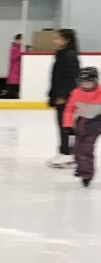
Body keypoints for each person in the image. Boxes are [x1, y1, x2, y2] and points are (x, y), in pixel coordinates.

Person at [47, 29, 81, 168]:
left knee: (67, 126)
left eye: (58, 38)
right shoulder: (61, 55)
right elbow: (56, 77)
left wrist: (64, 96)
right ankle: (64, 151)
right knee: (62, 125)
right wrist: (52, 94)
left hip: (66, 98)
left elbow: (71, 79)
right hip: (60, 96)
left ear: (66, 40)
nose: (55, 41)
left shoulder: (70, 56)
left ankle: (69, 154)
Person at [63, 67, 101, 187]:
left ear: (95, 81)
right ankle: (81, 168)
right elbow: (69, 109)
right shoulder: (76, 93)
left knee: (86, 150)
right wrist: (67, 125)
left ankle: (87, 174)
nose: (85, 84)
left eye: (89, 82)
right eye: (83, 82)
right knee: (76, 149)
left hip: (95, 125)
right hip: (81, 124)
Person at [0, 33, 22, 98]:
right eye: (19, 40)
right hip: (14, 71)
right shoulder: (13, 48)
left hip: (19, 72)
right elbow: (13, 58)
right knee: (12, 89)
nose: (20, 42)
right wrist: (21, 53)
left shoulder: (21, 48)